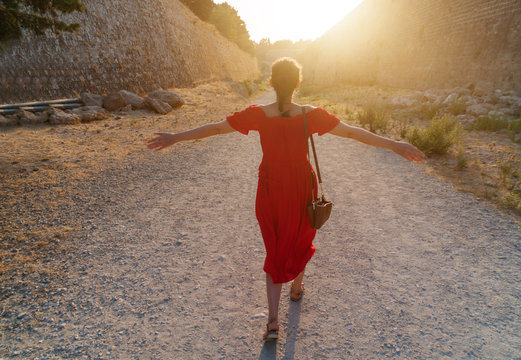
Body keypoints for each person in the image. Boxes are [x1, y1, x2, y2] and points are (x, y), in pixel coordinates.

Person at [147, 57, 425, 341]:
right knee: (301, 237)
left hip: (270, 189)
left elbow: (217, 128)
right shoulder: (310, 114)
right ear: (298, 84)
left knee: (276, 244)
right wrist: (394, 144)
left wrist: (175, 137)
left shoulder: (256, 114)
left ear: (270, 83)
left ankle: (272, 321)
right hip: (302, 187)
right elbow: (353, 133)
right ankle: (296, 288)